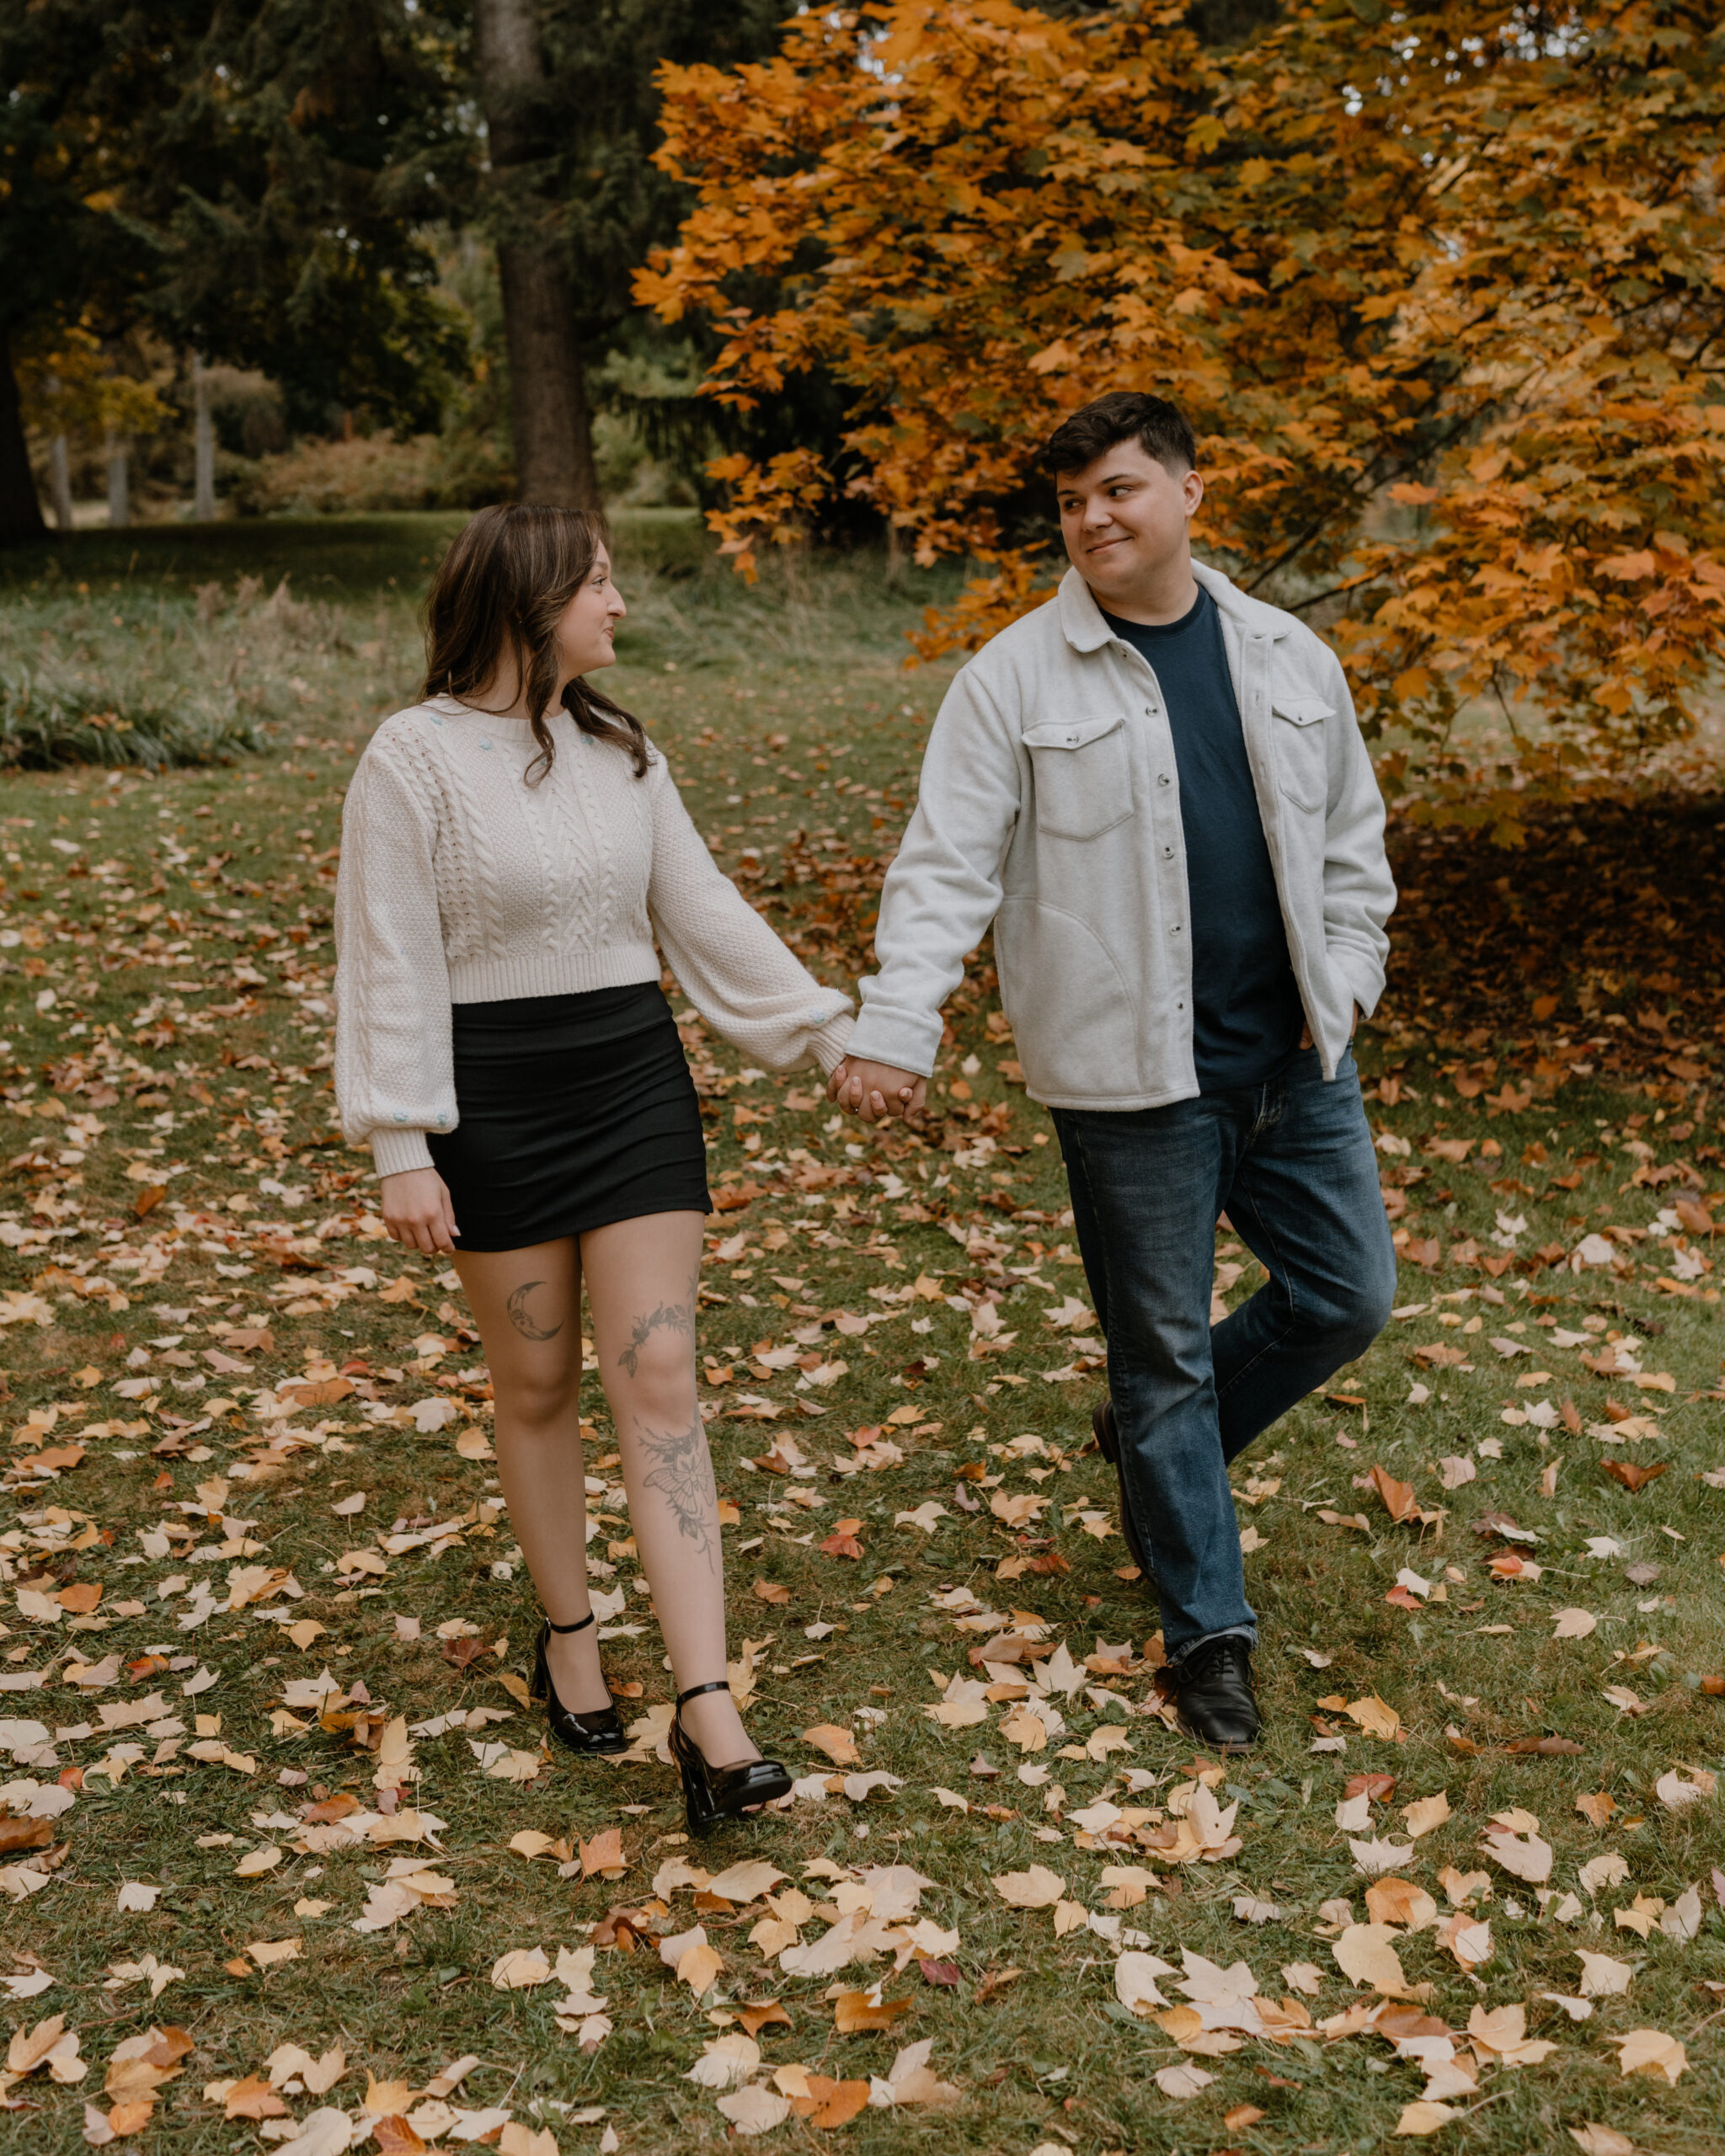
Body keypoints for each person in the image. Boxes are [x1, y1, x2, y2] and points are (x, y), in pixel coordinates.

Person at [828, 391, 1397, 1749]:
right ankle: (1210, 1638)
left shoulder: (1284, 656)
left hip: (1296, 1061)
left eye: (1121, 490)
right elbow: (943, 869)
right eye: (1074, 499)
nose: (1093, 518)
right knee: (1164, 1362)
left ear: (1192, 493)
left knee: (1348, 1296)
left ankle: (1150, 1456)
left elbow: (1351, 855)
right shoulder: (1014, 680)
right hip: (1131, 1086)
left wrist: (1349, 980)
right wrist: (898, 1024)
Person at [334, 504, 854, 1833]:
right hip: (492, 1100)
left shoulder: (621, 748)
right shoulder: (413, 760)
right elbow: (389, 953)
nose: (620, 608)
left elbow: (705, 909)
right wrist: (403, 1141)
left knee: (659, 1373)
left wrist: (829, 1031)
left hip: (630, 1081)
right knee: (538, 1378)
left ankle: (708, 1707)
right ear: (531, 600)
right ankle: (569, 1631)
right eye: (601, 585)